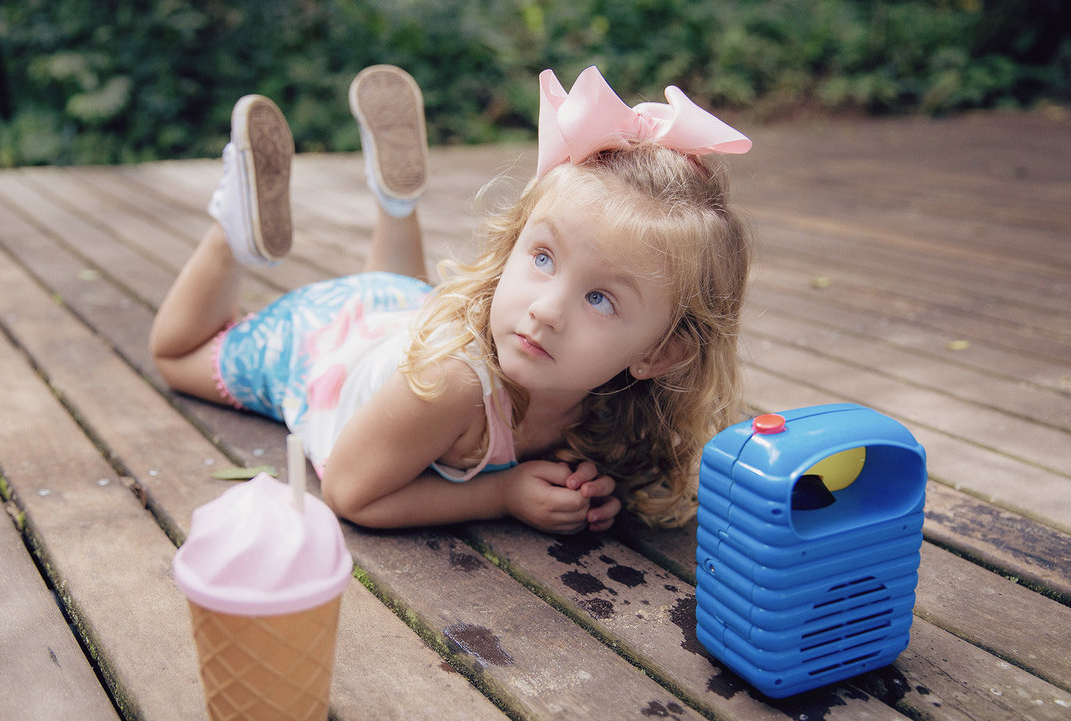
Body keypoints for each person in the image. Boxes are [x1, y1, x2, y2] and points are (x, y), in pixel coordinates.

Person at [150, 64, 752, 535]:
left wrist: (589, 490)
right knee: (176, 354)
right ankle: (234, 230)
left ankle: (394, 203)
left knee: (401, 294)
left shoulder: (607, 401)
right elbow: (351, 493)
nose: (545, 309)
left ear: (660, 355)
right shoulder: (451, 385)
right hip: (317, 343)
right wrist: (501, 494)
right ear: (512, 246)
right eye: (542, 259)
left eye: (600, 299)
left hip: (403, 307)